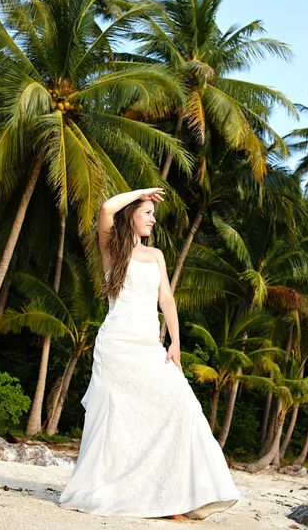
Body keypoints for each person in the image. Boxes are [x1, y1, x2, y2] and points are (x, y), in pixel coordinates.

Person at [59, 188, 240, 520]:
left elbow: (166, 299)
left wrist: (175, 341)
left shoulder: (156, 254)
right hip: (117, 344)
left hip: (148, 343)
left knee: (182, 405)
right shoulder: (112, 250)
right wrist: (140, 192)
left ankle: (175, 498)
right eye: (147, 212)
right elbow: (105, 207)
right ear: (132, 214)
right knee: (120, 421)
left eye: (152, 214)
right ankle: (138, 496)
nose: (153, 219)